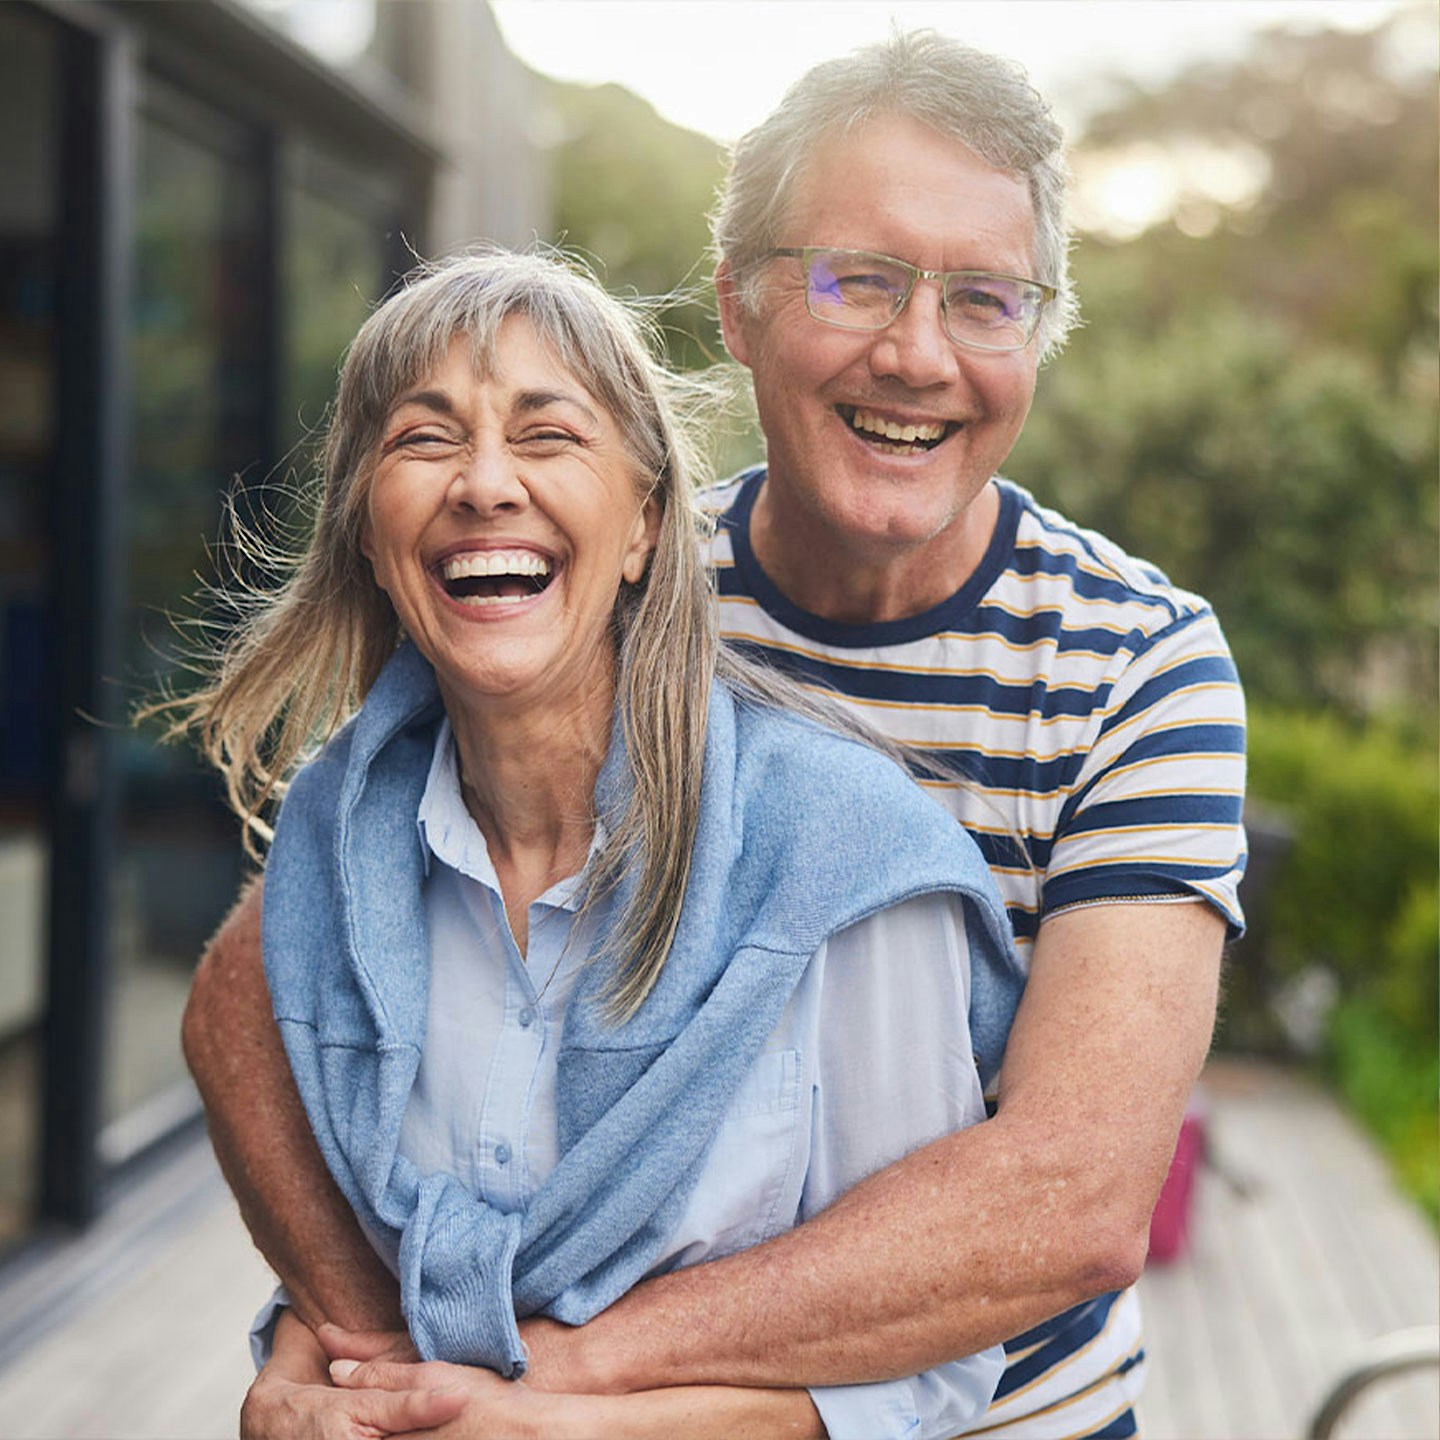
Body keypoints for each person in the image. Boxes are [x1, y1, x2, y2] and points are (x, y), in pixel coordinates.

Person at [184, 30, 1247, 1440]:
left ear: (1037, 335)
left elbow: (1072, 1196)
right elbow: (268, 978)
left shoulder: (1136, 663)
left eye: (984, 299)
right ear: (739, 306)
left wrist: (551, 1375)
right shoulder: (582, 574)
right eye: (858, 279)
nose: (917, 353)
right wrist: (353, 1332)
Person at [168, 245, 1020, 1439]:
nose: (484, 483)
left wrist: (569, 1427)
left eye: (548, 435)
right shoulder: (336, 848)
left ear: (645, 527)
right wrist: (300, 1377)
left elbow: (932, 1369)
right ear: (368, 534)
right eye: (425, 439)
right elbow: (380, 1263)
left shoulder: (840, 859)